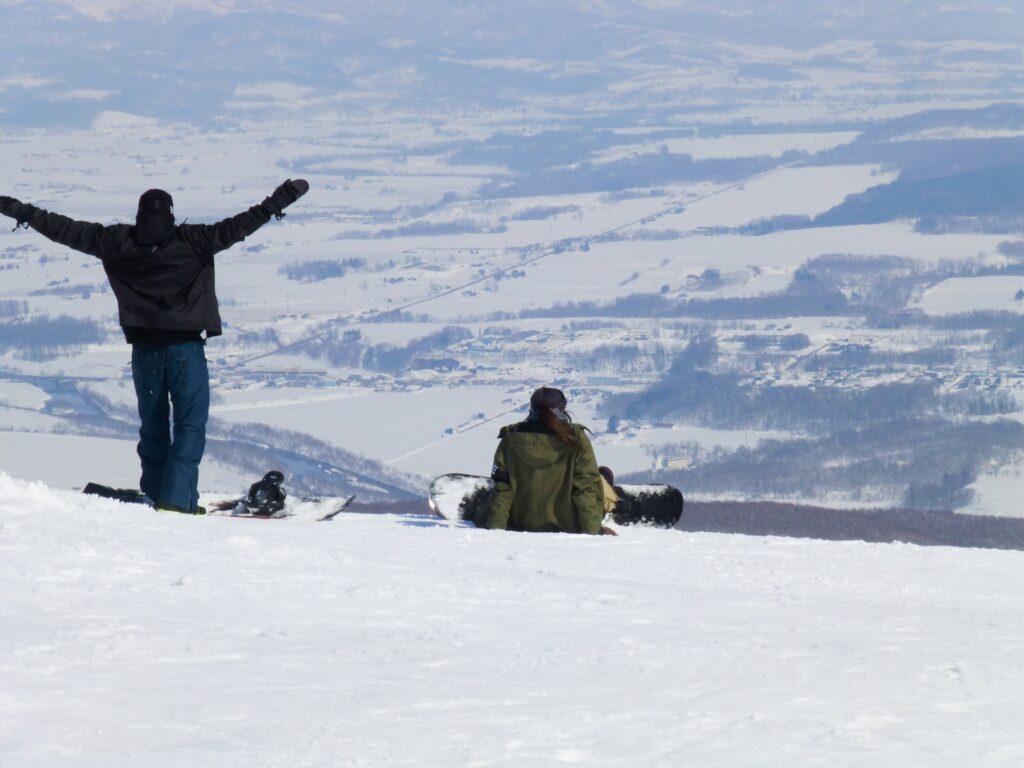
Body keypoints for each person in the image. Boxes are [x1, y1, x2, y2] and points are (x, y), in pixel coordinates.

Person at [0, 179, 309, 514]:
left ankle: (157, 492)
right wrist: (279, 200)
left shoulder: (115, 242)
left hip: (145, 352)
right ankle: (176, 502)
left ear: (139, 215)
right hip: (185, 351)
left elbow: (62, 228)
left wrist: (20, 210)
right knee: (189, 426)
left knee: (154, 426)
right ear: (172, 214)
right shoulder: (194, 241)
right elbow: (241, 225)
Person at [476, 386, 616, 535]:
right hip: (568, 526)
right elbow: (585, 490)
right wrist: (593, 532)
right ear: (562, 410)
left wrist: (496, 531)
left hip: (521, 523)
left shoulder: (511, 439)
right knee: (600, 479)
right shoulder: (575, 439)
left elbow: (503, 490)